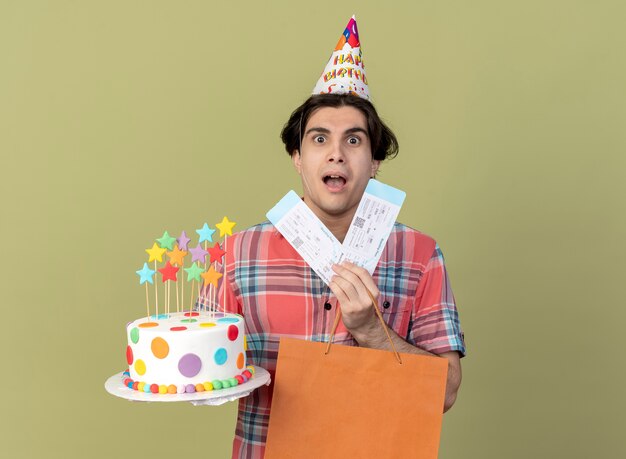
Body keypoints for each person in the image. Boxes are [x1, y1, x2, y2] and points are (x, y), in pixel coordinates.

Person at [207, 16, 466, 458]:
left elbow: (444, 393)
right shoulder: (235, 254)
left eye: (354, 140)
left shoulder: (421, 256)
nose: (335, 153)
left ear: (375, 161)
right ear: (297, 156)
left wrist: (372, 331)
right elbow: (202, 372)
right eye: (319, 138)